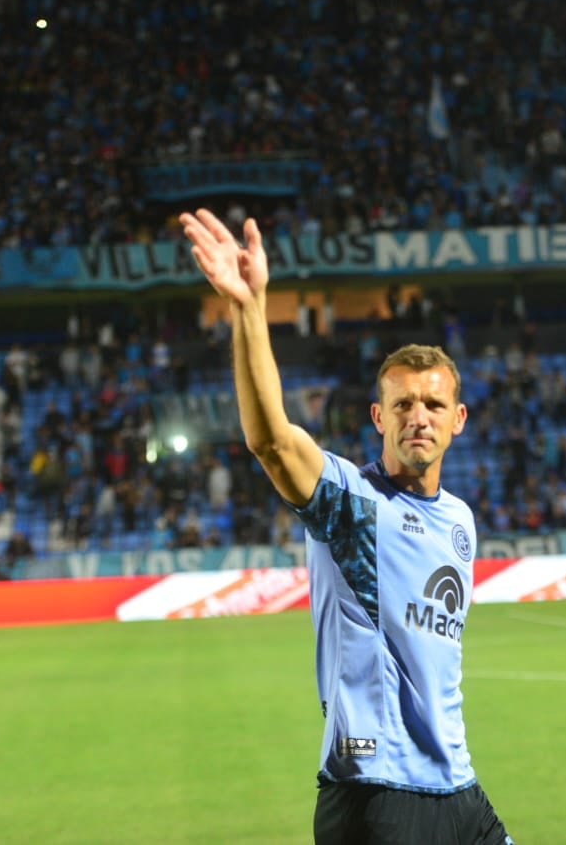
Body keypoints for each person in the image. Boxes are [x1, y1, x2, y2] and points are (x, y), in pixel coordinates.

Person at [182, 209, 512, 845]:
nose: (420, 416)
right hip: (378, 796)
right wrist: (250, 310)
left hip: (460, 789)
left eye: (434, 404)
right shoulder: (352, 501)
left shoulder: (460, 521)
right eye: (403, 404)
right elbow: (272, 441)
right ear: (377, 417)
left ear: (459, 419)